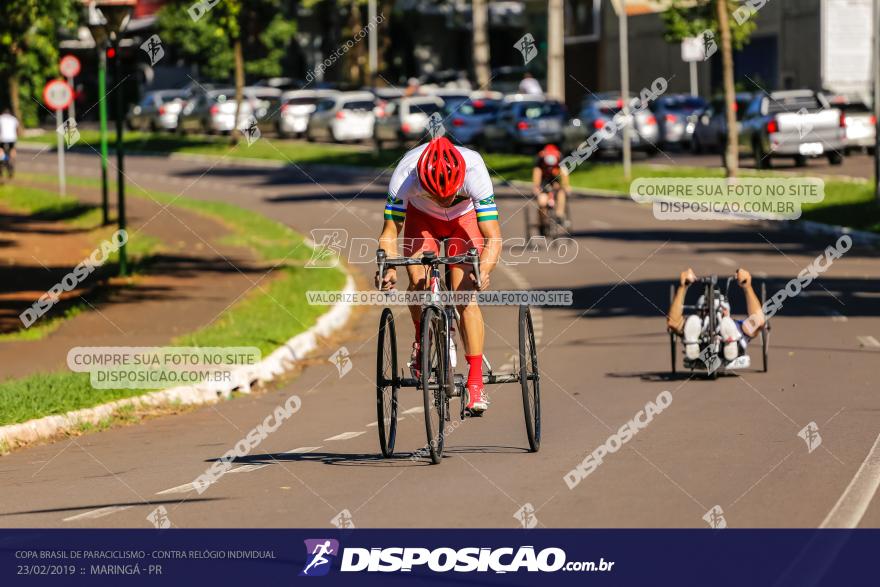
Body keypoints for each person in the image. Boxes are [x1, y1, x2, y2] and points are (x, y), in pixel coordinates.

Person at [376, 136, 502, 414]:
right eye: (435, 194)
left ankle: (476, 380)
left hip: (464, 220)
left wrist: (484, 270)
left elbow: (493, 237)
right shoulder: (405, 174)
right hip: (422, 220)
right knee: (419, 283)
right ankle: (422, 341)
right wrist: (389, 268)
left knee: (465, 295)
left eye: (448, 194)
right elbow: (389, 232)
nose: (443, 200)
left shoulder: (474, 169)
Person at [667, 268, 765, 363]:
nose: (714, 315)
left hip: (734, 346)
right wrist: (683, 287)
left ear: (727, 311)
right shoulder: (696, 325)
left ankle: (730, 342)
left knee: (735, 326)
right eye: (707, 311)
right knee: (693, 322)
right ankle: (693, 343)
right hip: (702, 347)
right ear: (700, 312)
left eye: (720, 310)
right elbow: (673, 323)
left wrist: (747, 286)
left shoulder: (737, 325)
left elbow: (759, 321)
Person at [531, 144, 570, 231]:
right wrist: (536, 186)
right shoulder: (540, 158)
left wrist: (566, 185)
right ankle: (542, 222)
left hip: (555, 181)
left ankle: (559, 215)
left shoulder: (559, 157)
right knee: (542, 202)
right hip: (543, 182)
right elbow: (537, 172)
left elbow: (564, 172)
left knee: (561, 193)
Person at [0, 108, 19, 178]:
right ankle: (12, 161)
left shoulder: (1, 118)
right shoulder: (13, 119)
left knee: (1, 150)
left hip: (2, 139)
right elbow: (17, 129)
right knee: (12, 150)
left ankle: (2, 160)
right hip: (12, 138)